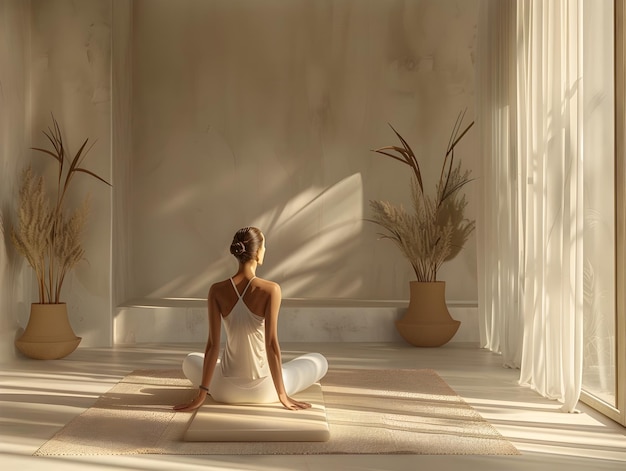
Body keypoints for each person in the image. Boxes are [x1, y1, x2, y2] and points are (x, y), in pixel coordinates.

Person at [173, 226, 328, 412]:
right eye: (264, 246)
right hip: (265, 391)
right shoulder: (271, 289)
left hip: (225, 391)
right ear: (258, 252)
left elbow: (212, 345)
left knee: (191, 359)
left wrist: (201, 395)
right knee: (318, 360)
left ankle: (213, 383)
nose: (265, 251)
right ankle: (280, 386)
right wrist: (282, 395)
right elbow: (271, 344)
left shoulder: (216, 290)